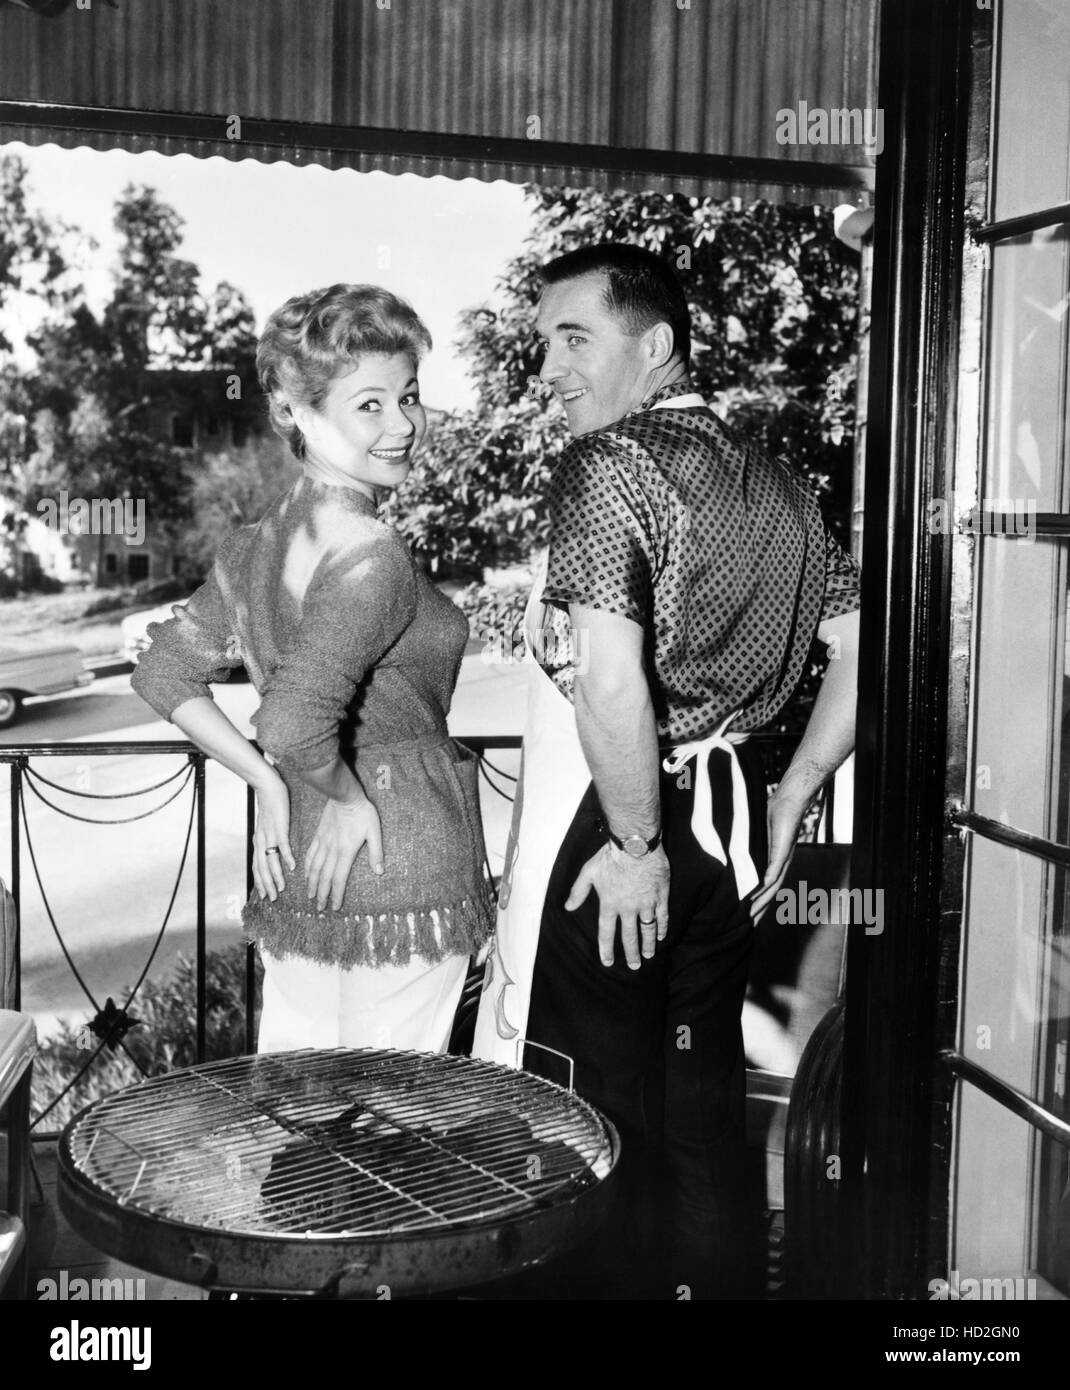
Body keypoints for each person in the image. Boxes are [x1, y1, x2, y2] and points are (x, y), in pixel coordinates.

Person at [472, 244, 861, 1299]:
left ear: (654, 348)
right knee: (697, 1111)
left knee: (580, 1121)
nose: (545, 367)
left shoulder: (607, 468)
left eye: (572, 338)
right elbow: (861, 652)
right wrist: (790, 793)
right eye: (540, 341)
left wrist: (636, 845)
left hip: (630, 831)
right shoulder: (777, 479)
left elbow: (609, 684)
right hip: (729, 827)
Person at [132, 283, 495, 1054]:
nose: (403, 424)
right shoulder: (371, 551)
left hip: (299, 863)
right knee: (386, 1134)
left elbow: (163, 675)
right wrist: (346, 795)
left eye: (410, 395)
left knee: (304, 1119)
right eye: (370, 404)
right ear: (295, 412)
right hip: (401, 861)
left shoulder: (251, 545)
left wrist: (270, 781)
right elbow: (294, 723)